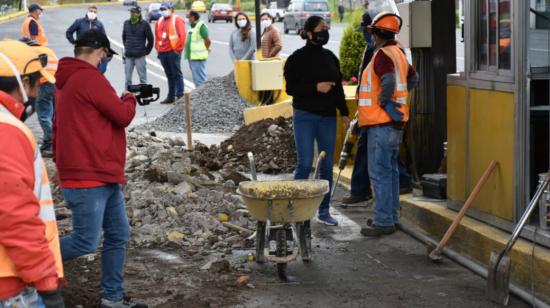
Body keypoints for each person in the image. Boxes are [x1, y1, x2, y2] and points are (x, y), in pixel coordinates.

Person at [53, 30, 146, 308]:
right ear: (99, 51)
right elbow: (122, 115)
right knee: (85, 242)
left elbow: (60, 128)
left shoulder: (66, 80)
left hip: (99, 173)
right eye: (105, 55)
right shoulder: (89, 78)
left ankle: (112, 298)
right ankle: (28, 262)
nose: (105, 61)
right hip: (89, 175)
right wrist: (128, 98)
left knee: (118, 234)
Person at [0, 40, 64, 308]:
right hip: (9, 282)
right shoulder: (7, 130)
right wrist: (47, 282)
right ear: (23, 83)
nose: (39, 91)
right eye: (37, 84)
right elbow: (14, 214)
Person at [357, 12, 418, 237]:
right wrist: (396, 101)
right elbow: (413, 79)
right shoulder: (398, 53)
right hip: (395, 122)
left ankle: (384, 221)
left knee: (380, 172)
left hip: (381, 122)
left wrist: (384, 101)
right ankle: (390, 216)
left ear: (378, 34)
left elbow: (390, 80)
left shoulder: (382, 55)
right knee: (390, 171)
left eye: (372, 33)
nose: (371, 37)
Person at [284, 16, 349, 226]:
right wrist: (315, 87)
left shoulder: (331, 57)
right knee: (304, 163)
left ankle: (324, 211)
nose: (326, 31)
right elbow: (290, 89)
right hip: (304, 115)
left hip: (328, 117)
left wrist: (345, 112)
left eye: (327, 28)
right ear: (310, 33)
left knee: (326, 166)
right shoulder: (296, 58)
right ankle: (295, 209)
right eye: (322, 28)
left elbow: (338, 87)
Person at [20, 38, 59, 157]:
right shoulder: (46, 50)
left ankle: (48, 144)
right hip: (55, 82)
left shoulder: (31, 51)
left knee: (43, 115)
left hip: (43, 83)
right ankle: (55, 142)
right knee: (52, 115)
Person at [155, 2, 186, 104]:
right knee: (169, 75)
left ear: (171, 9)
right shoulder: (159, 21)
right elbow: (157, 37)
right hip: (163, 52)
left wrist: (178, 50)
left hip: (173, 51)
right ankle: (171, 96)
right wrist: (158, 50)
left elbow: (182, 36)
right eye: (162, 10)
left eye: (165, 9)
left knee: (176, 74)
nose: (163, 11)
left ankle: (180, 95)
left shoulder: (176, 20)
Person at [122, 5, 154, 87]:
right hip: (129, 56)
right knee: (127, 79)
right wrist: (127, 48)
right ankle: (127, 96)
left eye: (134, 12)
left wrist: (146, 51)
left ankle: (144, 96)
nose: (132, 14)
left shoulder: (145, 24)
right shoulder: (126, 23)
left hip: (140, 56)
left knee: (143, 79)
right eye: (131, 12)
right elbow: (124, 37)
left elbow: (150, 39)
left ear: (139, 13)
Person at [185, 10, 210, 87]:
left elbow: (207, 40)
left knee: (200, 79)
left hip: (198, 57)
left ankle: (203, 96)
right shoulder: (193, 26)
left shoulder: (201, 25)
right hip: (192, 56)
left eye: (188, 17)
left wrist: (206, 48)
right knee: (196, 79)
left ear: (193, 17)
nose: (188, 19)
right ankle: (199, 95)